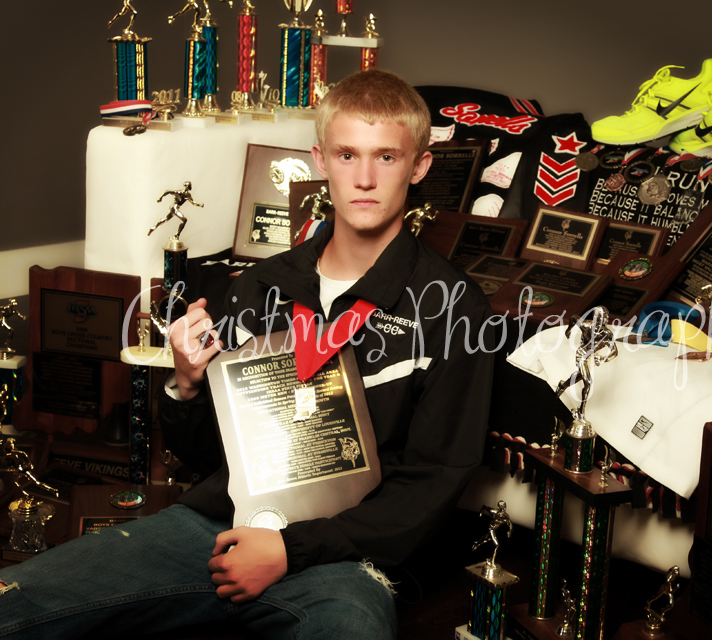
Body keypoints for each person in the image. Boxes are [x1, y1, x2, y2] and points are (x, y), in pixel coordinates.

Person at [0, 69, 495, 639]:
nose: (364, 178)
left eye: (386, 157)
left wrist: (289, 549)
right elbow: (209, 455)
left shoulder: (454, 307)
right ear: (320, 160)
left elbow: (433, 481)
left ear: (420, 166)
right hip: (214, 527)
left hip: (346, 558)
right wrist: (186, 384)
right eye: (347, 155)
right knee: (18, 602)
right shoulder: (261, 285)